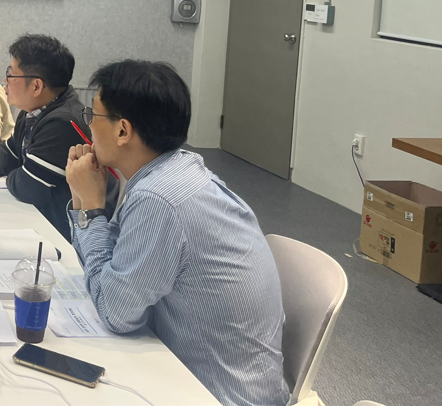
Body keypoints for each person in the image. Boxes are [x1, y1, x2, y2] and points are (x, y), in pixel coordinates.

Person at [64, 60, 289, 406]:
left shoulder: (159, 199)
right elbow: (112, 269)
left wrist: (91, 209)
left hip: (217, 395)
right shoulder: (176, 169)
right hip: (200, 373)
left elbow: (114, 312)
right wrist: (82, 199)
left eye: (93, 116)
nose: (89, 126)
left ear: (123, 131)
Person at [0, 34, 113, 240]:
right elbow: (10, 150)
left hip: (61, 232)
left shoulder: (63, 122)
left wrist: (12, 173)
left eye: (10, 75)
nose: (5, 81)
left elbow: (28, 188)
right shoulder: (35, 110)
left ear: (36, 86)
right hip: (39, 218)